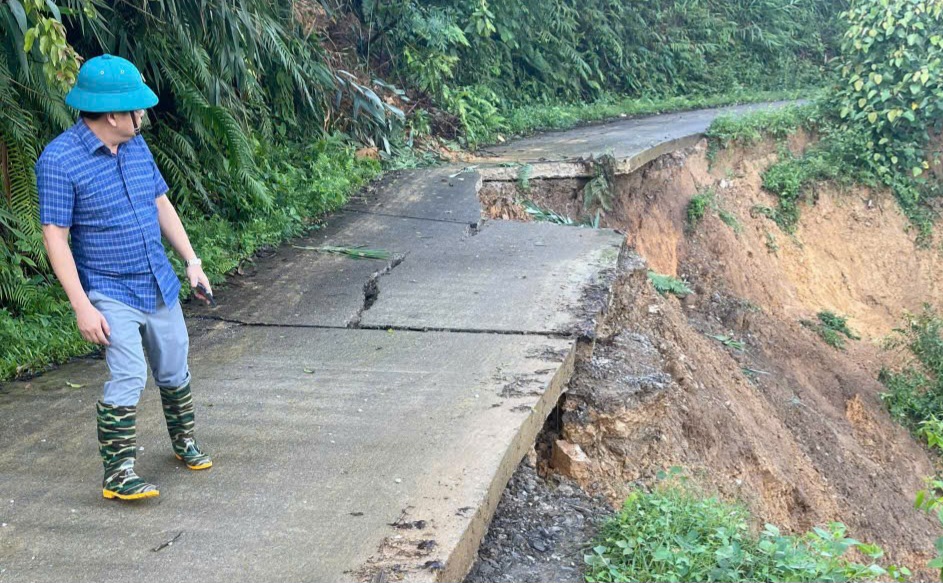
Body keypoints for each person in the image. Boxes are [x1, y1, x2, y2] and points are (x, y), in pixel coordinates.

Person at [37, 54, 213, 501]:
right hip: (108, 288)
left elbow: (160, 204)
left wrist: (191, 261)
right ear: (113, 114)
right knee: (130, 374)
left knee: (175, 363)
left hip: (157, 280)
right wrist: (82, 305)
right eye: (136, 109)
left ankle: (184, 442)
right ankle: (118, 473)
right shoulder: (59, 160)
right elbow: (56, 239)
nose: (143, 115)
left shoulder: (135, 145)